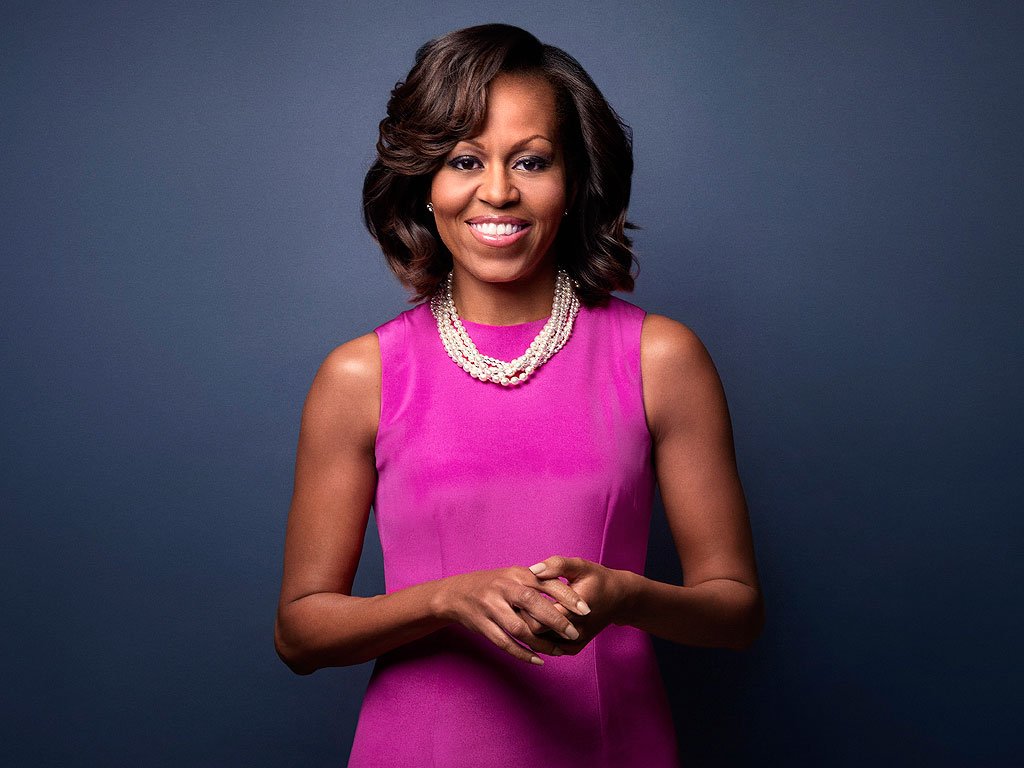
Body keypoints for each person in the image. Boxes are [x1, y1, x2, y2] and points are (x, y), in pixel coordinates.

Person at [275, 23, 763, 767]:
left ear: (574, 182)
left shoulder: (661, 358)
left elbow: (736, 612)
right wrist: (445, 598)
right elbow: (299, 634)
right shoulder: (361, 375)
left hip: (610, 747)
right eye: (463, 160)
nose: (498, 190)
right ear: (425, 185)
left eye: (531, 161)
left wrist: (625, 596)